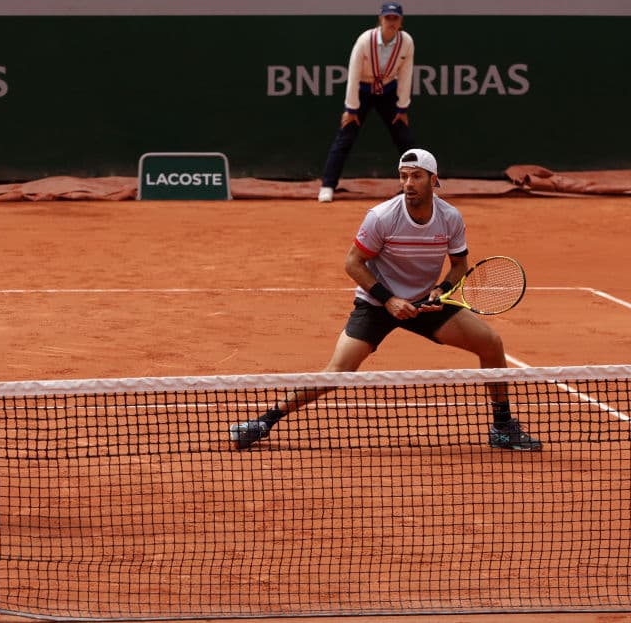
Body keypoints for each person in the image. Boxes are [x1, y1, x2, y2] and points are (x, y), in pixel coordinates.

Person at [231, 148, 541, 451]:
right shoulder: (381, 217)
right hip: (377, 304)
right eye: (404, 176)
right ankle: (264, 422)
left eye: (416, 176)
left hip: (424, 303)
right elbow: (353, 263)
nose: (408, 183)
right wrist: (389, 300)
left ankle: (502, 428)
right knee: (337, 371)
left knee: (490, 343)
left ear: (433, 180)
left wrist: (440, 289)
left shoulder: (450, 218)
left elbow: (459, 263)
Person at [317, 2, 416, 203]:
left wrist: (402, 106)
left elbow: (406, 74)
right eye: (387, 18)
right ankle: (327, 185)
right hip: (362, 91)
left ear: (400, 21)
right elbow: (353, 75)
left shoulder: (406, 42)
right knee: (345, 137)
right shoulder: (365, 40)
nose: (391, 22)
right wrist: (350, 108)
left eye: (395, 18)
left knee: (404, 138)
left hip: (387, 91)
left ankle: (418, 187)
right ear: (380, 19)